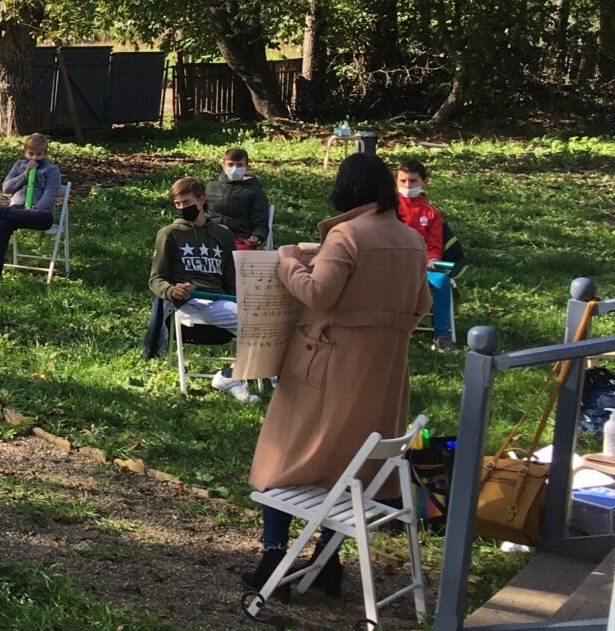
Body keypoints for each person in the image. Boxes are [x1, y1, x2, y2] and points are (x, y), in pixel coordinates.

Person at [242, 153, 429, 598]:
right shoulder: (411, 239)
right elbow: (421, 306)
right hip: (384, 368)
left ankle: (274, 557)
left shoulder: (348, 234)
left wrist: (288, 260)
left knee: (284, 455)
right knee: (353, 467)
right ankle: (327, 562)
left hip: (325, 362)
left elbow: (318, 292)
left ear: (347, 189)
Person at [149, 178, 246, 396]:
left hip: (221, 300)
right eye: (178, 204)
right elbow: (155, 279)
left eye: (187, 202)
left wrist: (238, 298)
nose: (183, 208)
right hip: (189, 302)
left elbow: (230, 279)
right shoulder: (169, 234)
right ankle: (241, 376)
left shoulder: (223, 235)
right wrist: (172, 290)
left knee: (259, 322)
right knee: (251, 323)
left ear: (201, 200)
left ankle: (235, 373)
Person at [0, 133, 62, 283]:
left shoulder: (52, 170)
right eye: (31, 153)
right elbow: (6, 188)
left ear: (45, 154)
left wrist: (36, 208)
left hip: (40, 214)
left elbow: (50, 194)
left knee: (4, 217)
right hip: (16, 211)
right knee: (2, 224)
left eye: (39, 154)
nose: (34, 158)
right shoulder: (18, 165)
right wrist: (25, 174)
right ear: (25, 151)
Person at [396, 159, 456, 351]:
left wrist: (432, 259)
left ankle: (442, 336)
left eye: (413, 181)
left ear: (424, 182)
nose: (407, 186)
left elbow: (434, 243)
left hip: (422, 267)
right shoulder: (388, 208)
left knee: (441, 282)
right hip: (393, 264)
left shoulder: (431, 213)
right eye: (402, 181)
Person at [206, 147, 272, 249]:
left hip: (239, 239)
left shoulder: (255, 192)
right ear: (223, 166)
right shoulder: (211, 187)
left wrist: (257, 236)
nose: (234, 169)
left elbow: (260, 222)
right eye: (231, 164)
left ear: (247, 167)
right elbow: (201, 213)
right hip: (210, 236)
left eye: (239, 165)